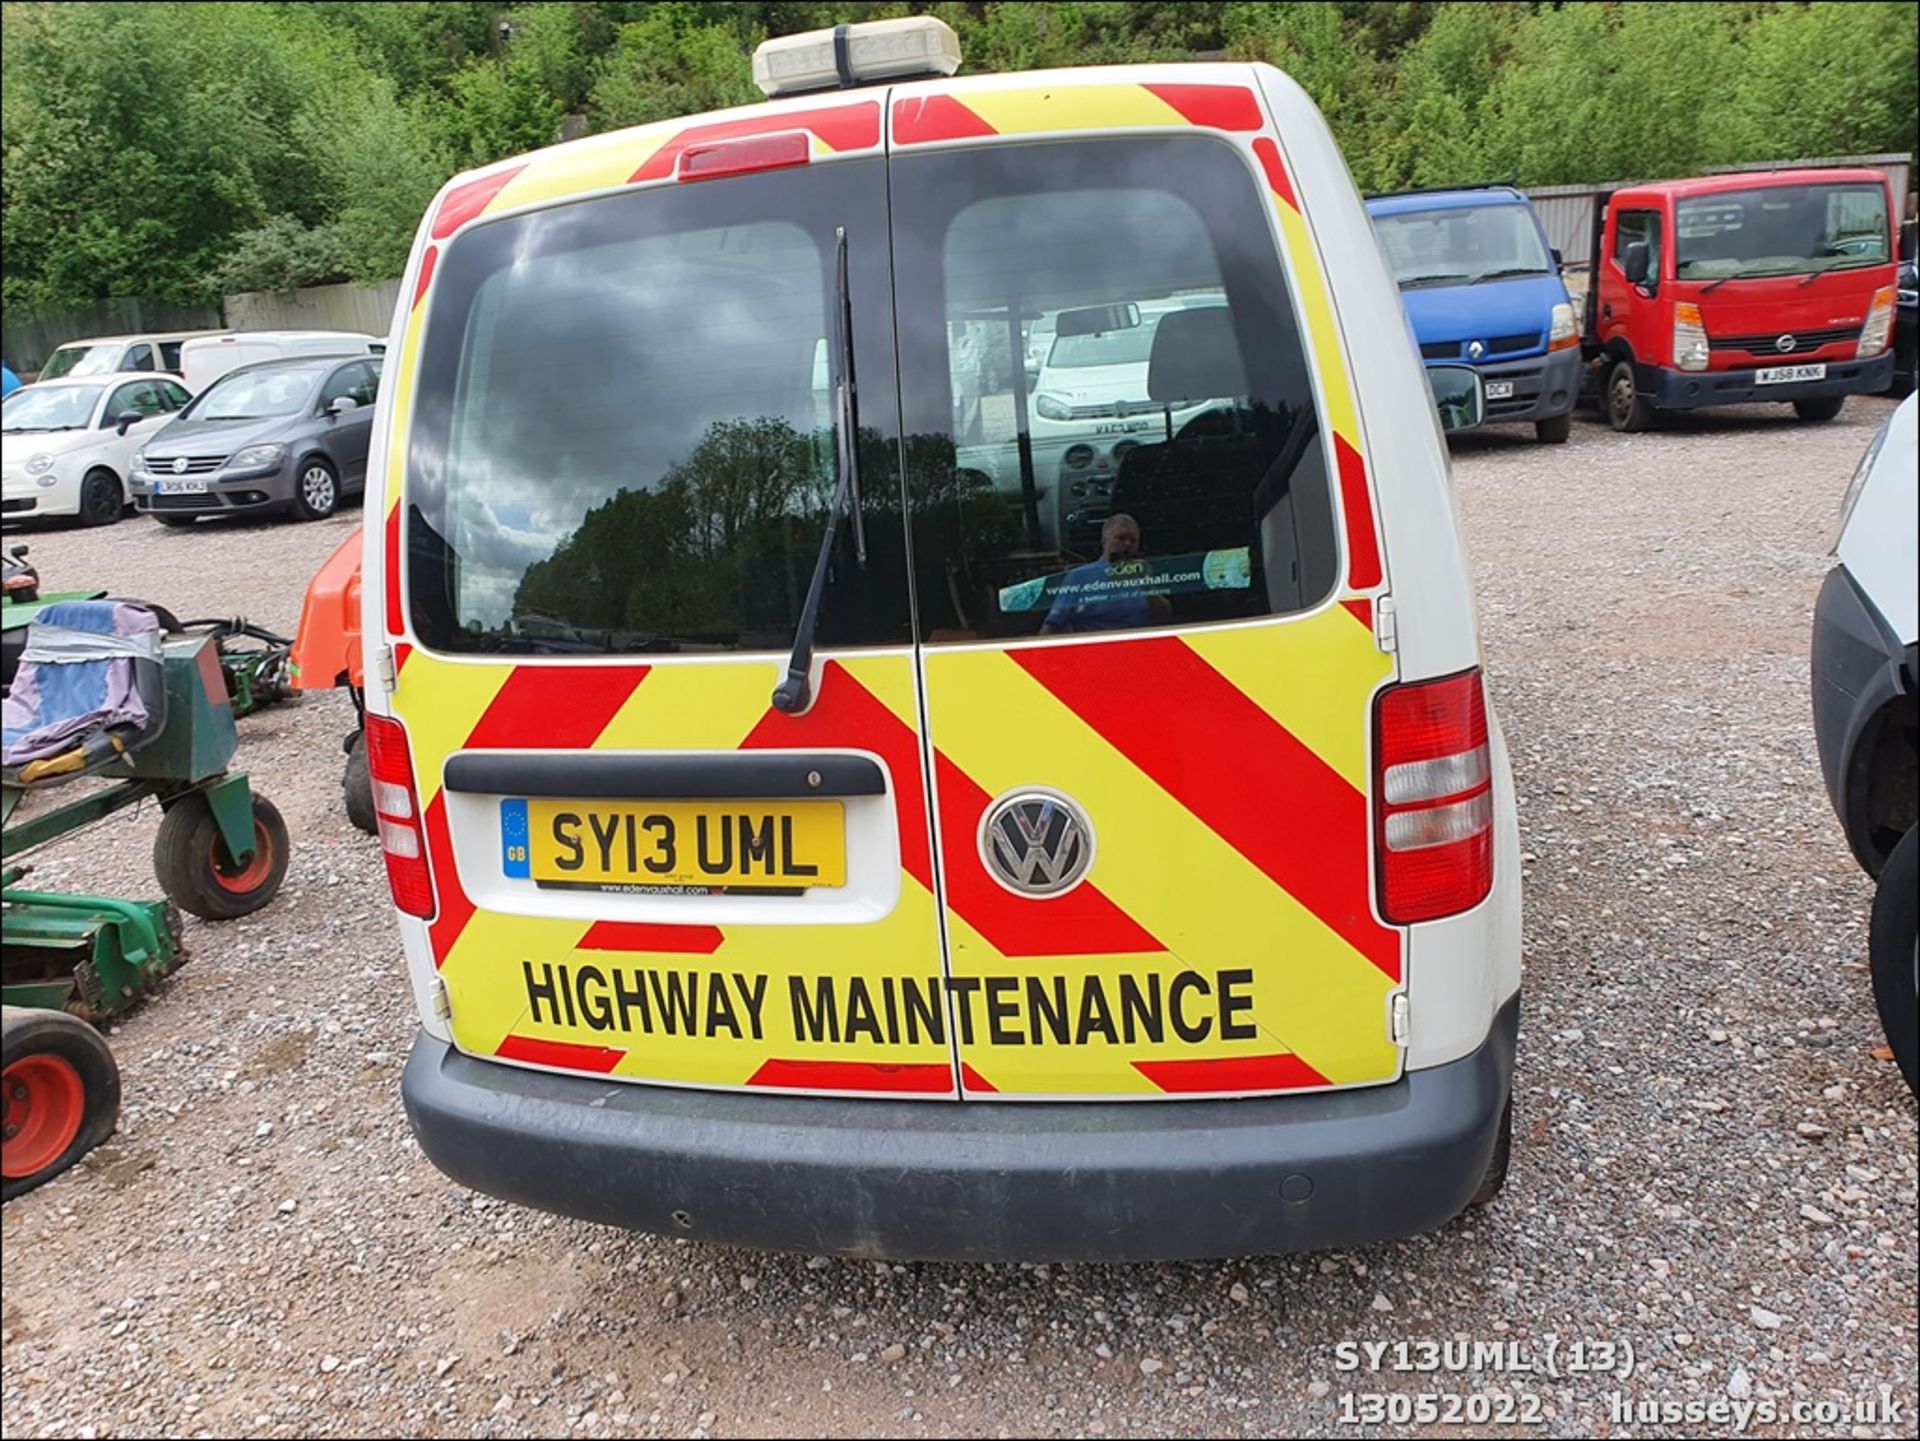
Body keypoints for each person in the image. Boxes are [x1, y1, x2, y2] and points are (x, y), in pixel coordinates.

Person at [1040, 513, 1173, 634]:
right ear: (1104, 541)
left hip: (1143, 648)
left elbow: (1164, 617)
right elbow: (1053, 624)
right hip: (1098, 652)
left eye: (1133, 540)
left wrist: (1146, 585)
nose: (1127, 544)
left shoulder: (1143, 572)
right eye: (1120, 538)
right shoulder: (1080, 577)